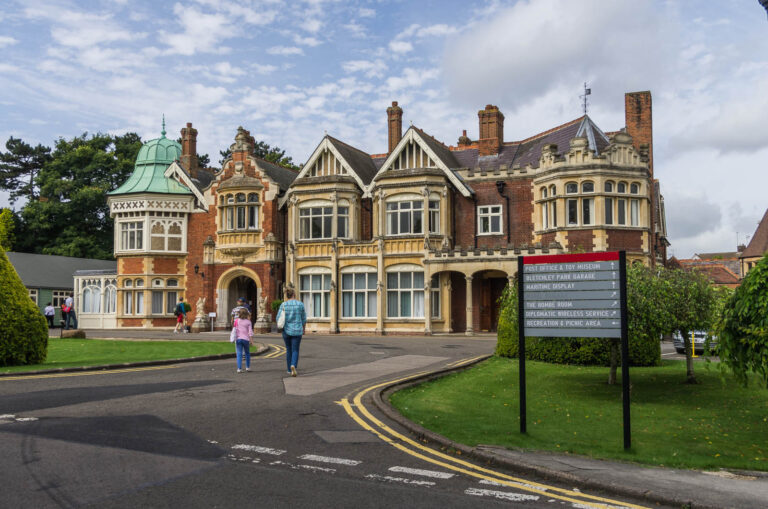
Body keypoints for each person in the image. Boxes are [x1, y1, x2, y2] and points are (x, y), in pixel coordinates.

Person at [275, 288, 306, 377]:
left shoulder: (283, 305)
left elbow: (278, 318)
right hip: (297, 330)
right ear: (294, 294)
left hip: (286, 331)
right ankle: (293, 365)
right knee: (295, 350)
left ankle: (289, 369)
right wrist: (303, 329)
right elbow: (303, 318)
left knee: (289, 350)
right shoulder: (300, 304)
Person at [233, 308, 254, 373]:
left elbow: (234, 330)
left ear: (239, 313)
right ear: (246, 314)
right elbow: (250, 332)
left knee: (239, 354)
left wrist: (233, 338)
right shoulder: (248, 322)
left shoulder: (236, 321)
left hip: (238, 339)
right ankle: (247, 367)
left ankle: (239, 368)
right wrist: (251, 341)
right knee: (247, 353)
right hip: (246, 339)